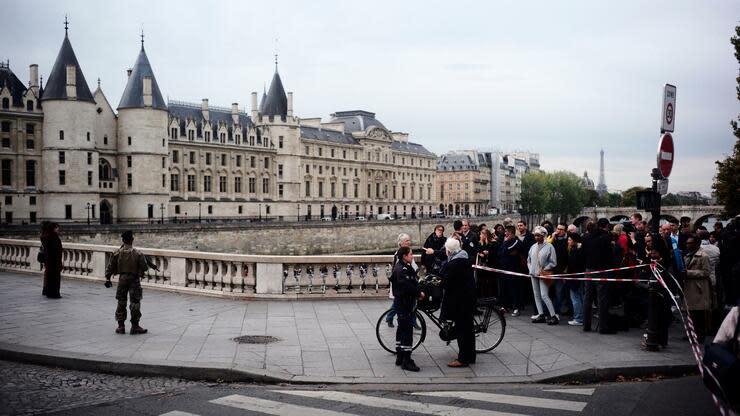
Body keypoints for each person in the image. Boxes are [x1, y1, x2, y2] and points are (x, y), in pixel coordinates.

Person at [439, 238, 477, 367]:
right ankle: (471, 356)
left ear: (449, 251)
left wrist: (441, 283)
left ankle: (463, 359)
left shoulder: (453, 264)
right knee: (469, 330)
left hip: (460, 302)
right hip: (469, 298)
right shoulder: (464, 258)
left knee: (462, 331)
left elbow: (447, 283)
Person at [105, 230, 150, 335]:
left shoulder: (117, 253)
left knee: (121, 302)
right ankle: (135, 326)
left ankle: (121, 326)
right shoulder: (138, 253)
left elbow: (110, 267)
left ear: (123, 240)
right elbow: (145, 267)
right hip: (134, 279)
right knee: (135, 302)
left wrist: (108, 278)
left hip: (122, 279)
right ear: (132, 240)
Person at [390, 246, 424, 372]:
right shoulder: (402, 269)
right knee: (407, 332)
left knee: (401, 329)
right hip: (404, 303)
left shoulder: (400, 266)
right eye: (410, 254)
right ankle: (406, 360)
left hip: (402, 302)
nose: (412, 256)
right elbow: (407, 286)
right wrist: (418, 293)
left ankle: (400, 355)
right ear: (404, 256)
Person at [582, 218, 615, 334]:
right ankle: (602, 326)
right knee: (602, 299)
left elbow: (583, 253)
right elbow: (610, 254)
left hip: (589, 269)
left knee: (587, 298)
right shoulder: (605, 237)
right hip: (602, 270)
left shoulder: (585, 237)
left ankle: (586, 325)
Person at [387, 233, 420, 328]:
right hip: (402, 283)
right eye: (406, 241)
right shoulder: (400, 254)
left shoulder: (408, 252)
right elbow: (399, 270)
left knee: (408, 303)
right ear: (401, 243)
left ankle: (412, 321)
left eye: (409, 240)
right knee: (400, 304)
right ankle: (390, 317)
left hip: (407, 280)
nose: (409, 242)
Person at [683, 235, 712, 343]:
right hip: (689, 287)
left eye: (690, 243)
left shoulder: (703, 256)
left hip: (698, 288)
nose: (688, 245)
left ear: (697, 244)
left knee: (699, 314)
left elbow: (706, 272)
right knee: (691, 313)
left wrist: (689, 273)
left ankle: (700, 336)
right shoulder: (687, 255)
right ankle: (691, 334)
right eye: (687, 243)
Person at [528, 226, 559, 324]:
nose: (536, 237)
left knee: (544, 295)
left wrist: (545, 269)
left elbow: (553, 262)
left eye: (538, 235)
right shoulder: (533, 247)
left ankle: (553, 315)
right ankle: (541, 314)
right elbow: (528, 259)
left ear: (544, 236)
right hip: (533, 274)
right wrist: (530, 269)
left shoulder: (550, 247)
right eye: (535, 235)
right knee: (536, 295)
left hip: (543, 274)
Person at [498, 224, 525, 316]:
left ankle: (516, 307)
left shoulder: (516, 242)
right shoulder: (505, 241)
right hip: (504, 269)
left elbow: (506, 250)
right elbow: (500, 252)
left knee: (514, 289)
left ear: (512, 233)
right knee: (504, 288)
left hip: (513, 269)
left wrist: (505, 249)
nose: (505, 234)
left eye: (507, 233)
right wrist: (506, 250)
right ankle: (504, 306)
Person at [566, 232, 585, 325]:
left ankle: (578, 318)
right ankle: (581, 317)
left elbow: (572, 266)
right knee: (580, 297)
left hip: (574, 278)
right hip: (578, 277)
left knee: (576, 298)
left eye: (569, 240)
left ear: (574, 241)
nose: (568, 242)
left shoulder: (575, 251)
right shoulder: (579, 249)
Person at [40, 221, 63, 299]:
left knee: (49, 277)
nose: (58, 229)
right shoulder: (54, 237)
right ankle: (55, 293)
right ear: (53, 228)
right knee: (55, 278)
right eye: (57, 227)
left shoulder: (46, 237)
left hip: (48, 260)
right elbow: (56, 250)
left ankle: (49, 292)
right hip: (54, 261)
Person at [477, 229, 499, 298]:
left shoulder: (493, 243)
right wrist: (481, 254)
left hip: (491, 266)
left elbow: (495, 254)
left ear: (485, 235)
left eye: (481, 234)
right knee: (483, 283)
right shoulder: (480, 243)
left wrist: (487, 254)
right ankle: (484, 297)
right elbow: (478, 251)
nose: (480, 236)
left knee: (491, 283)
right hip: (482, 267)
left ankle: (492, 297)